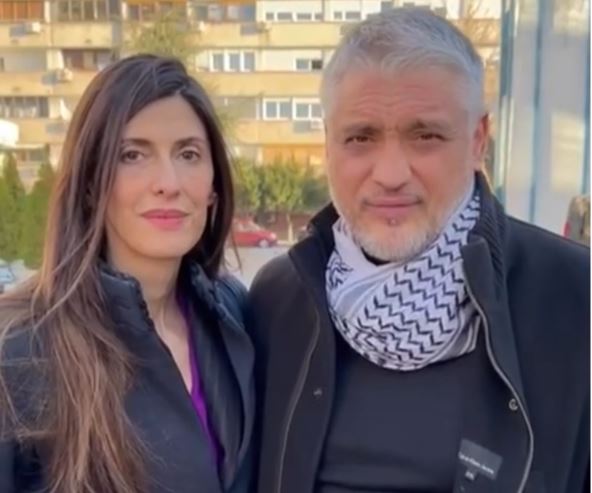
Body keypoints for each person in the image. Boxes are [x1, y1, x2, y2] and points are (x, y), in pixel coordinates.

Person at [249, 8, 589, 493]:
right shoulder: (280, 300)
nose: (390, 174)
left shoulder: (574, 300)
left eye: (426, 136)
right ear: (327, 144)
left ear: (477, 140)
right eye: (360, 137)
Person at [0, 55, 254, 493]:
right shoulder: (18, 351)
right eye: (132, 155)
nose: (168, 182)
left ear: (214, 185)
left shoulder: (234, 316)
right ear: (90, 183)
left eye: (189, 154)